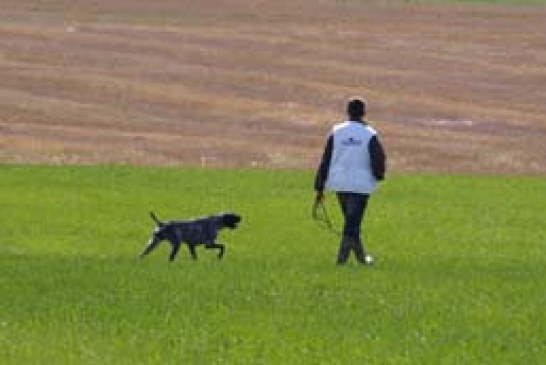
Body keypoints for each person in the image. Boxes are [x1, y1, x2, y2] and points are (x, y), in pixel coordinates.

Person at [314, 98, 386, 265]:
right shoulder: (369, 134)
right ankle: (341, 260)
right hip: (360, 185)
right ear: (363, 112)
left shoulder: (336, 132)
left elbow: (326, 159)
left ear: (348, 111)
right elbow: (378, 158)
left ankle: (362, 258)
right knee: (352, 223)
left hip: (340, 183)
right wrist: (379, 175)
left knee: (351, 221)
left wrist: (319, 186)